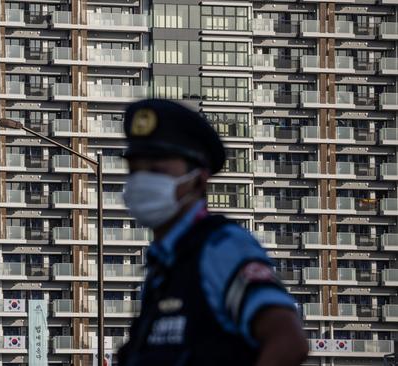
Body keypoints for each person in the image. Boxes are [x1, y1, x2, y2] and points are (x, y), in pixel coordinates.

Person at [116, 99, 309, 366]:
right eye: (135, 170)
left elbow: (288, 340)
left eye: (156, 170)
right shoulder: (163, 267)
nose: (141, 181)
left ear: (198, 178)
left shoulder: (220, 247)